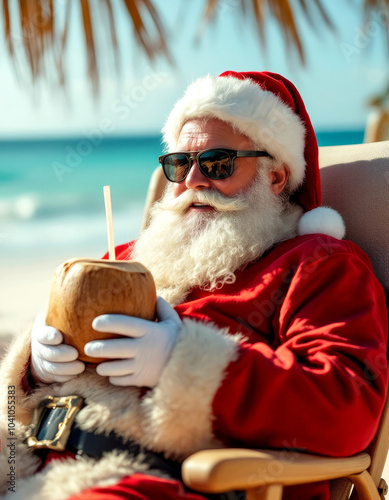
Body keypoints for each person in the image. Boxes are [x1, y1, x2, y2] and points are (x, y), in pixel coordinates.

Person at [0, 71, 387, 500]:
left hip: (164, 483)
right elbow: (21, 404)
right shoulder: (126, 258)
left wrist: (181, 362)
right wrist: (33, 369)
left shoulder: (318, 264)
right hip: (26, 462)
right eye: (180, 164)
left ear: (276, 176)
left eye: (217, 163)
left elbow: (344, 409)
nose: (193, 182)